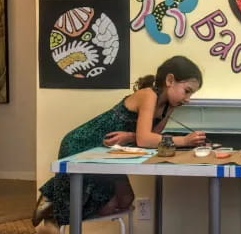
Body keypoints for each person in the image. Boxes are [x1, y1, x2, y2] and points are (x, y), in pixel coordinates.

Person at [32, 55, 206, 228]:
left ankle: (52, 202)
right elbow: (146, 139)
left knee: (125, 200)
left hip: (109, 152)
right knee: (82, 203)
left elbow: (150, 137)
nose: (188, 98)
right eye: (187, 90)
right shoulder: (148, 95)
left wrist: (131, 136)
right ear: (170, 80)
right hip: (84, 144)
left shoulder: (168, 106)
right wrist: (184, 140)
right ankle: (52, 206)